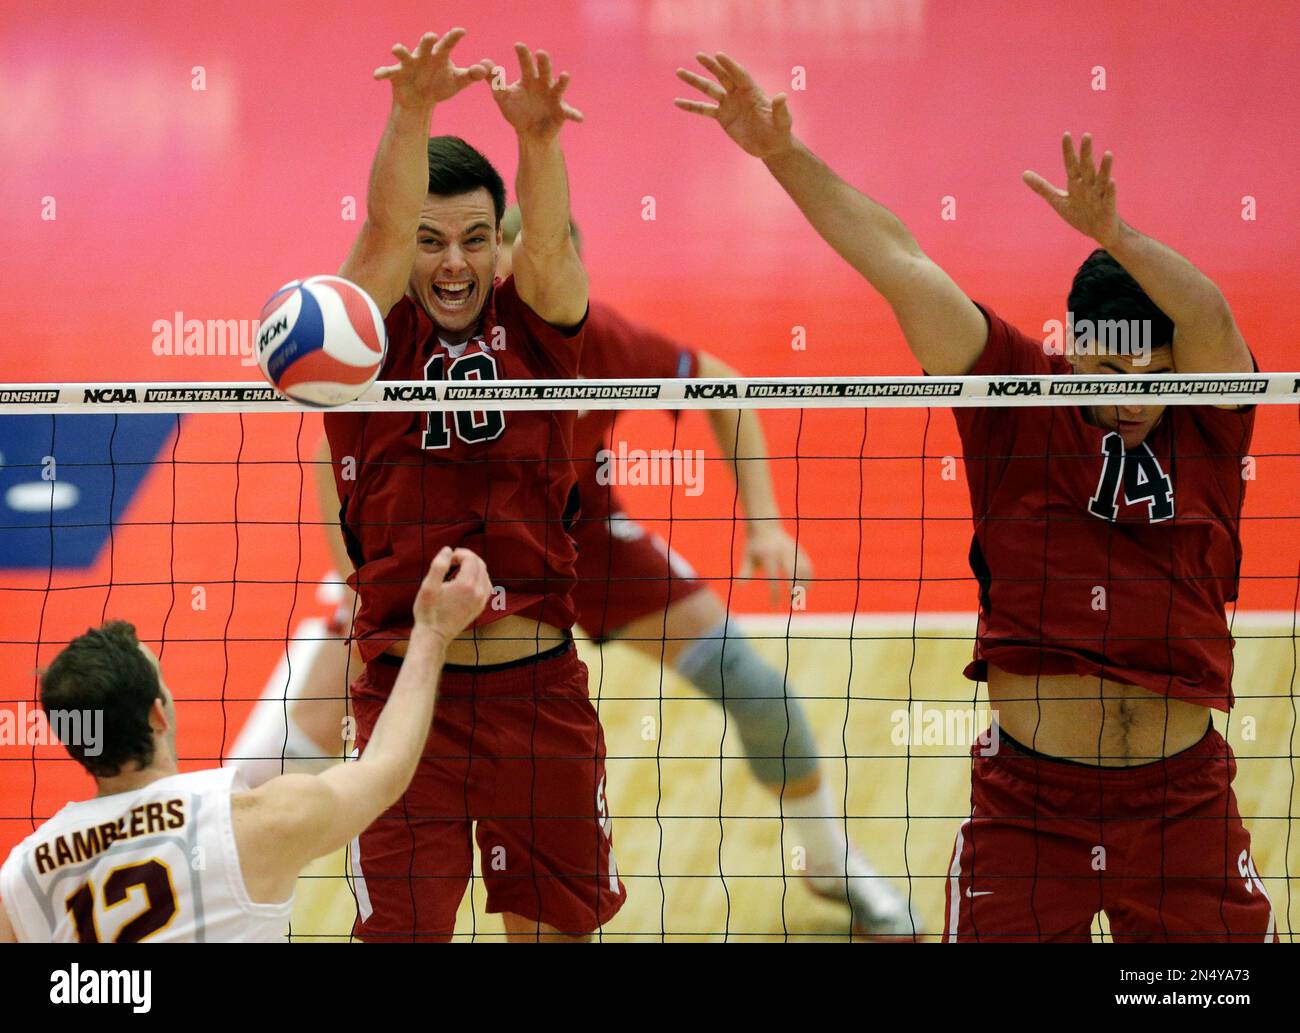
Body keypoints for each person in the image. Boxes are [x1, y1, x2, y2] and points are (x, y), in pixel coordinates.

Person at [677, 51, 1274, 942]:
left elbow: (1215, 321)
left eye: (1156, 369)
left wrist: (1118, 234)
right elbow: (900, 261)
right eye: (1111, 366)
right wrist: (781, 154)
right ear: (1071, 350)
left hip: (1182, 803)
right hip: (1033, 810)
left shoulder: (1212, 420)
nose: (1136, 392)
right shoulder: (1011, 394)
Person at [324, 29, 624, 942]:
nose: (453, 263)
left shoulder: (538, 325)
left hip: (537, 700)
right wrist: (410, 109)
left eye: (475, 240)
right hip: (402, 701)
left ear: (502, 243)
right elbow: (378, 237)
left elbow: (551, 254)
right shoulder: (362, 338)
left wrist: (541, 141)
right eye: (432, 242)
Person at [0, 549, 491, 942]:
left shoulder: (22, 875)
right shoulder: (251, 823)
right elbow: (387, 766)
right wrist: (432, 632)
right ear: (157, 715)